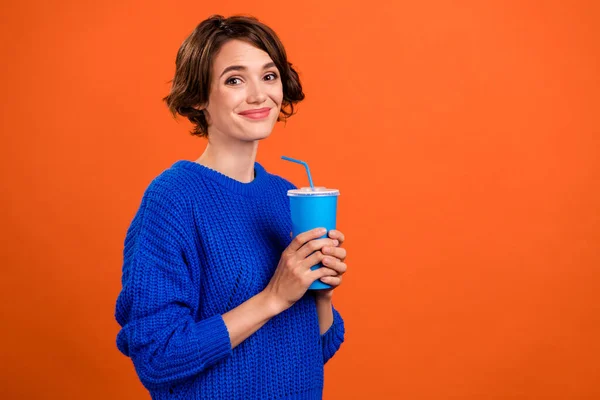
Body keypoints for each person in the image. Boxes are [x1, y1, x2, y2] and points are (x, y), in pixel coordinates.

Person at [114, 14, 348, 400]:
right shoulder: (173, 199)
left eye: (269, 76)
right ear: (199, 98)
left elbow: (311, 352)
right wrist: (274, 297)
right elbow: (157, 356)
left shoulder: (283, 194)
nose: (258, 95)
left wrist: (318, 291)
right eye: (234, 80)